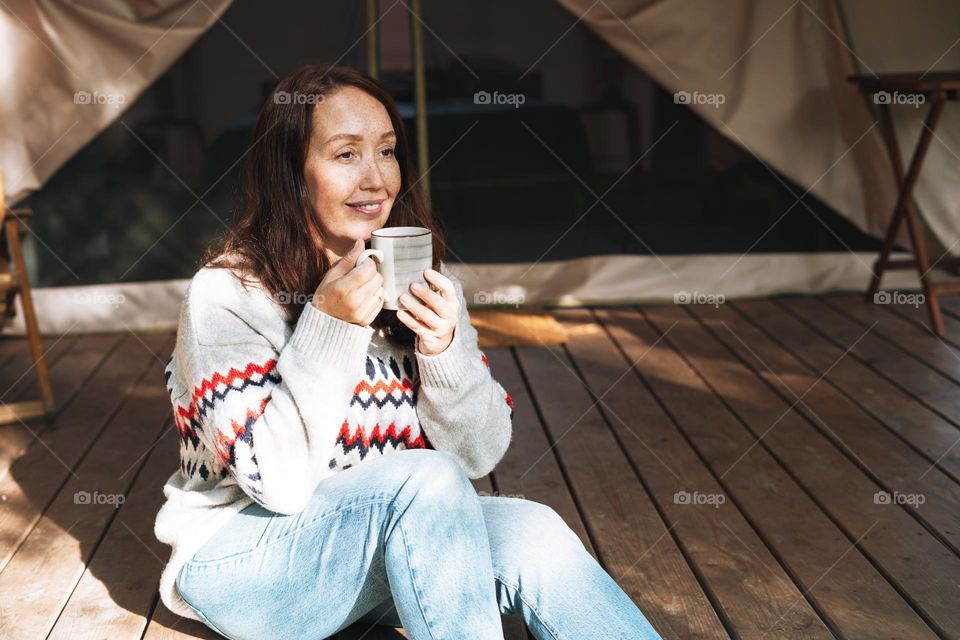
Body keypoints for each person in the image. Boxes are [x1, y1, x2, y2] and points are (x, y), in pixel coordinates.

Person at [153, 63, 663, 640]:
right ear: (291, 175)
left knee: (533, 530)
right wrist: (328, 326)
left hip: (375, 553)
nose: (376, 179)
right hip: (246, 565)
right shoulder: (227, 293)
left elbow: (478, 455)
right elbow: (277, 483)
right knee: (423, 477)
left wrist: (443, 351)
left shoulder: (421, 282)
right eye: (346, 155)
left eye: (388, 151)